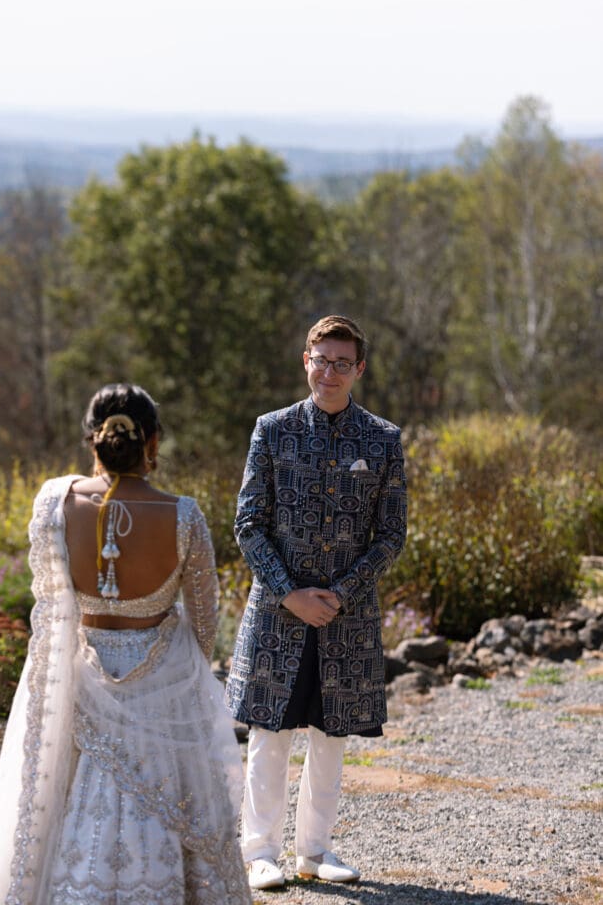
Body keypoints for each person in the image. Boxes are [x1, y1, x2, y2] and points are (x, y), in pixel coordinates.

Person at [0, 383, 251, 905]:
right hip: (160, 682)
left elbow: (49, 608)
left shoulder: (55, 502)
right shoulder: (184, 515)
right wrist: (176, 681)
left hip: (81, 677)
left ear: (92, 439)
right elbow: (204, 621)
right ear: (152, 441)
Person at [226, 315, 407, 891]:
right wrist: (290, 594)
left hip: (346, 618)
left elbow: (390, 534)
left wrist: (340, 595)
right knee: (268, 734)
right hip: (278, 615)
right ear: (305, 360)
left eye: (341, 362)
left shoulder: (383, 440)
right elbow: (249, 523)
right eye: (320, 359)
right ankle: (259, 853)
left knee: (332, 736)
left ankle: (315, 851)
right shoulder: (271, 430)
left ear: (359, 369)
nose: (329, 371)